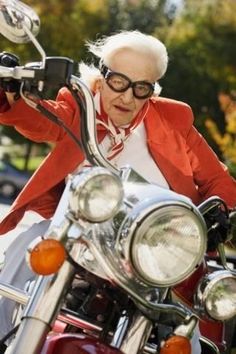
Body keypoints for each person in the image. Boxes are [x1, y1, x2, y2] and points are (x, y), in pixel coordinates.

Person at [0, 30, 235, 352]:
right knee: (26, 247)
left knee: (187, 329)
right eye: (118, 82)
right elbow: (44, 121)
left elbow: (216, 179)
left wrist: (223, 209)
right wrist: (11, 96)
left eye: (141, 88)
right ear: (102, 75)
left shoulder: (173, 119)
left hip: (152, 248)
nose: (127, 97)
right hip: (79, 233)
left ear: (152, 90)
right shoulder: (80, 105)